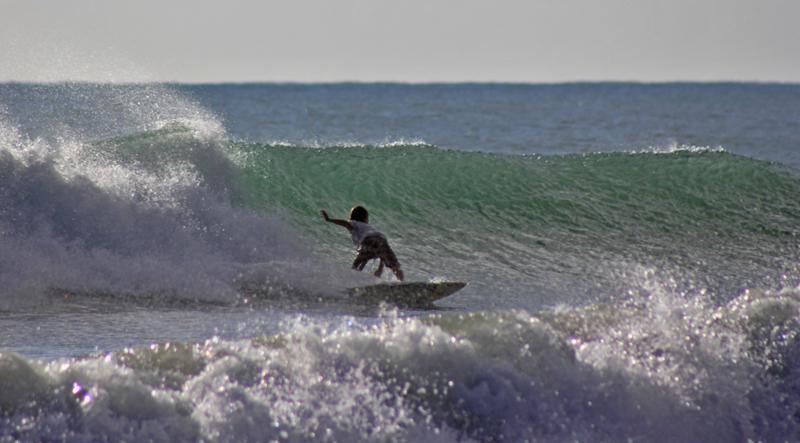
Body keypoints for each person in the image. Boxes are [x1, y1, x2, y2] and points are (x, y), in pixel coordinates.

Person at [320, 206, 404, 281]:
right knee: (394, 266)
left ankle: (351, 282)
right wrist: (380, 269)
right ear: (365, 218)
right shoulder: (370, 227)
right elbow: (382, 252)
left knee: (356, 265)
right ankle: (402, 282)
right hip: (381, 239)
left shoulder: (355, 223)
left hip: (368, 241)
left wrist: (329, 219)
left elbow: (346, 223)